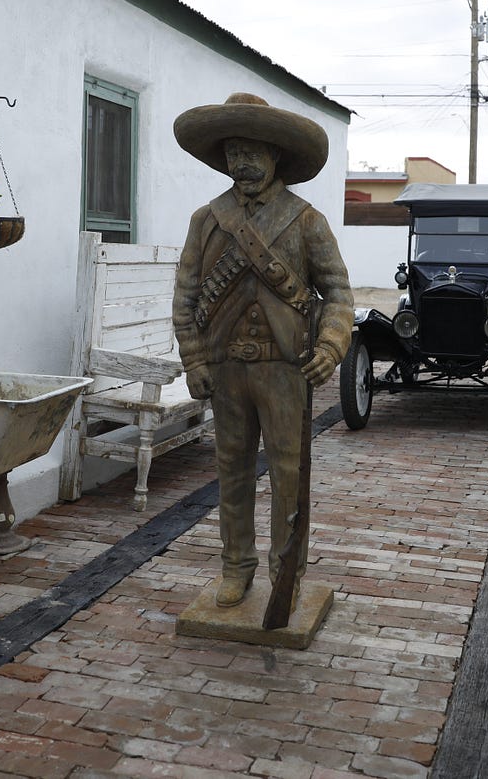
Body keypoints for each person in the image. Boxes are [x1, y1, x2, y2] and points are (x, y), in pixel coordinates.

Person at [171, 92, 354, 609]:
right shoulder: (206, 221)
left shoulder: (306, 221)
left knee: (289, 475)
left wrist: (331, 343)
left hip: (284, 369)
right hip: (226, 369)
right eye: (234, 154)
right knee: (231, 471)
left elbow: (339, 293)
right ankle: (236, 568)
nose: (243, 164)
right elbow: (185, 296)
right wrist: (194, 358)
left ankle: (285, 573)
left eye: (253, 153)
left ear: (275, 156)